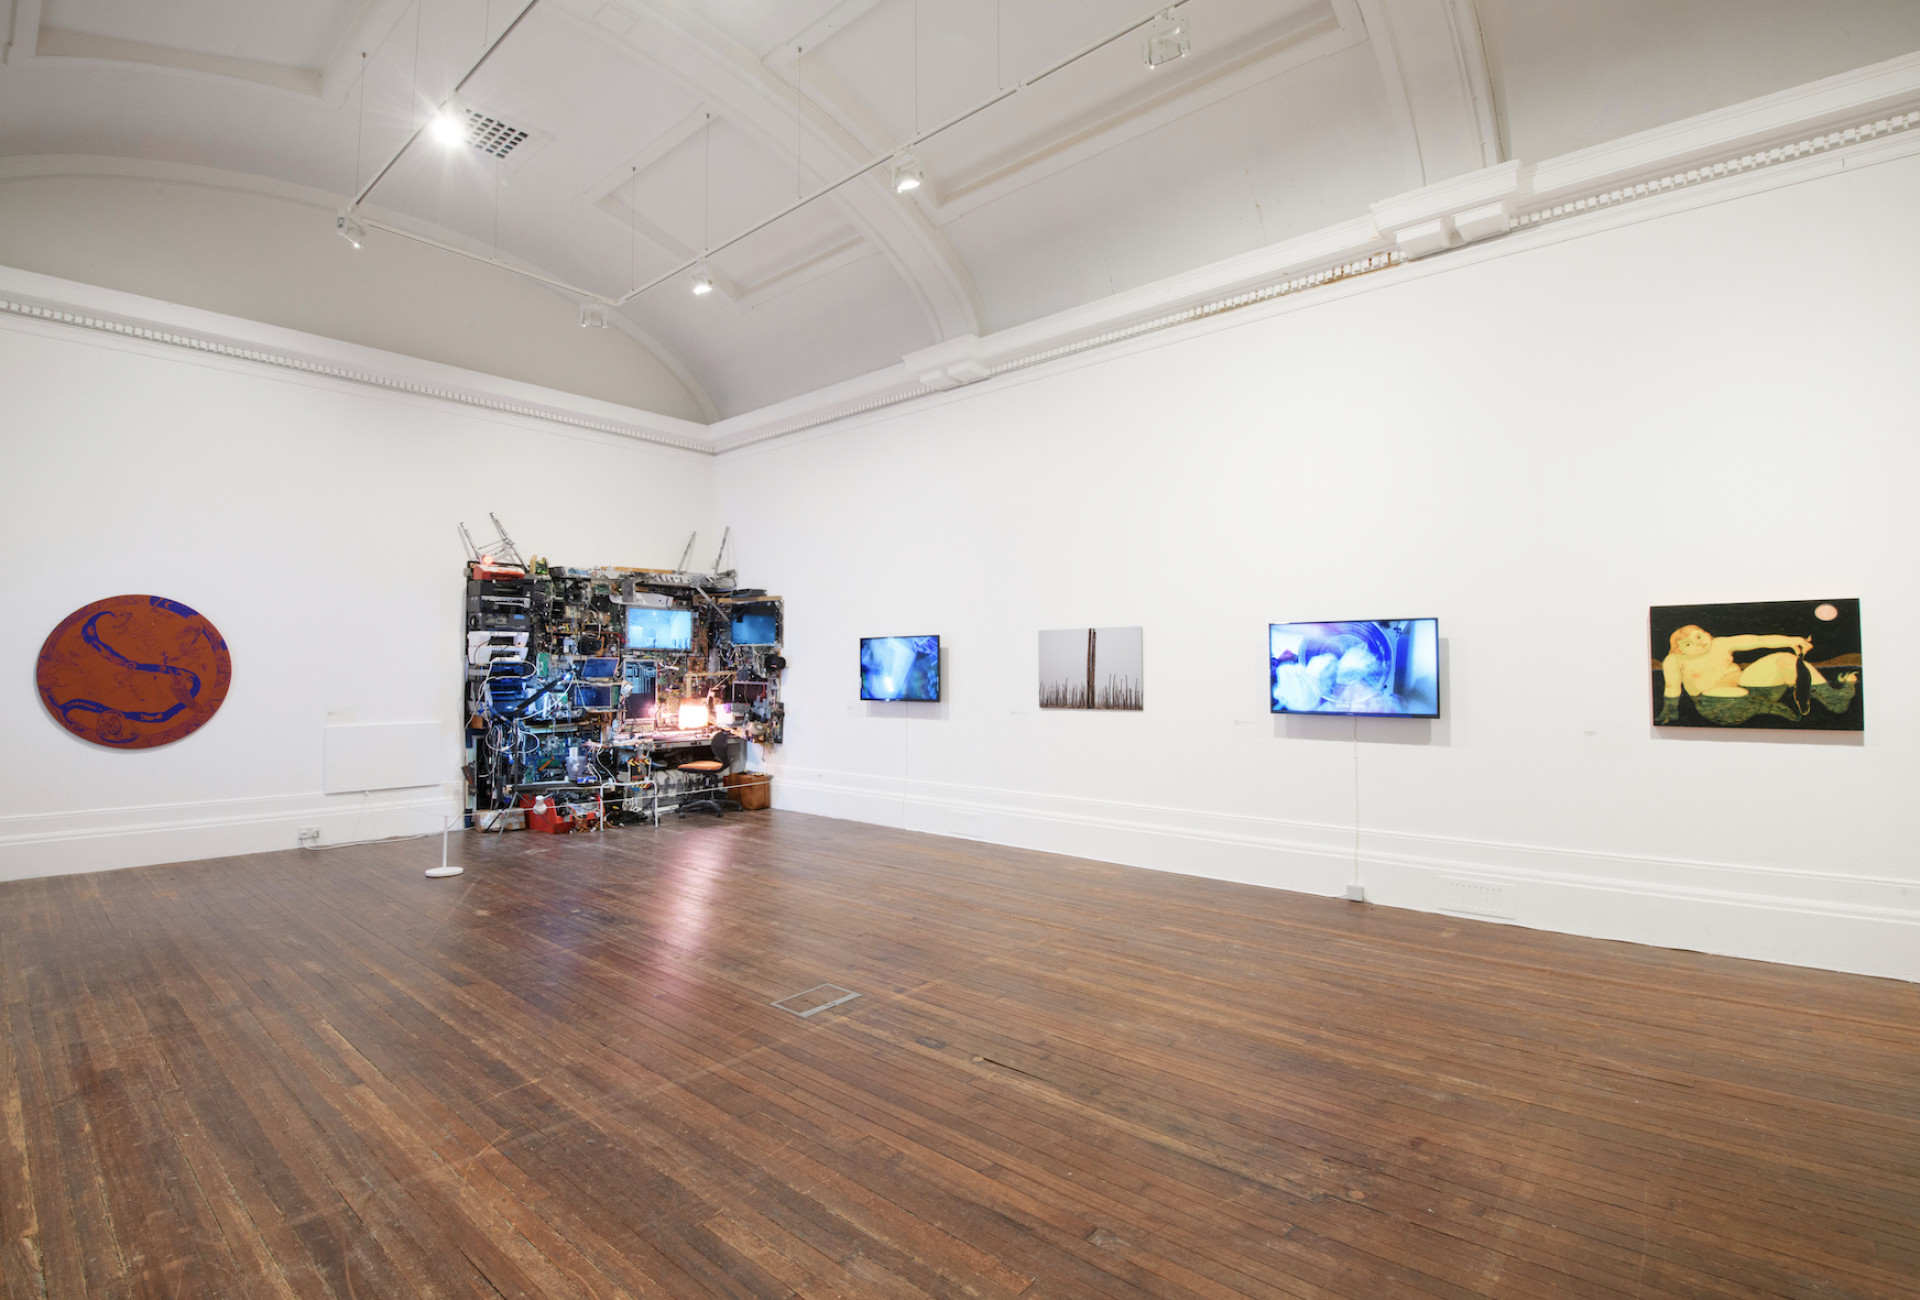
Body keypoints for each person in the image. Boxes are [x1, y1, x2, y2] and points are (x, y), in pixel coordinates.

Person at [1658, 624, 1857, 724]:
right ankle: (1770, 708)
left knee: (1785, 659)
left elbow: (1758, 640)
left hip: (1752, 689)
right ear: (1679, 650)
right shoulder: (1674, 660)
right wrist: (1670, 708)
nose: (1699, 643)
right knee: (1725, 694)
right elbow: (1671, 686)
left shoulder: (1721, 644)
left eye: (1699, 636)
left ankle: (1834, 698)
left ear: (1706, 633)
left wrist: (1790, 640)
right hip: (1717, 705)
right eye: (1688, 644)